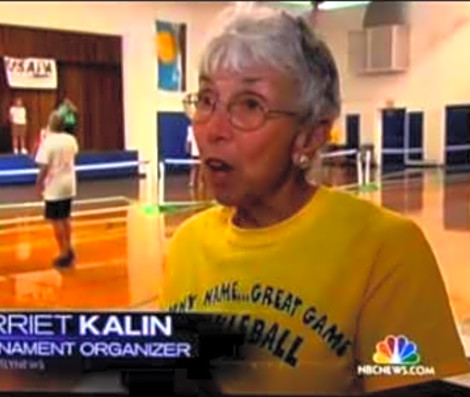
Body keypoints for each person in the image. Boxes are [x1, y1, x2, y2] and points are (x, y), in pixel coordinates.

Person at [159, 5, 469, 396]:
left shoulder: (385, 251)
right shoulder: (187, 244)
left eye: (250, 104)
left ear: (309, 136)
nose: (214, 130)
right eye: (206, 99)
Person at [35, 111, 79, 268]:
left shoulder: (48, 143)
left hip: (54, 186)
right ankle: (69, 246)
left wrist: (38, 184)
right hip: (69, 183)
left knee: (56, 220)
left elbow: (44, 166)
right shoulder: (71, 140)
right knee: (66, 217)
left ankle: (63, 252)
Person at [186, 123, 203, 188]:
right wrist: (188, 149)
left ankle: (200, 182)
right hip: (194, 151)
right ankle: (192, 182)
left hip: (201, 150)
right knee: (194, 167)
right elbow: (188, 140)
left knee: (201, 167)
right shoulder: (191, 128)